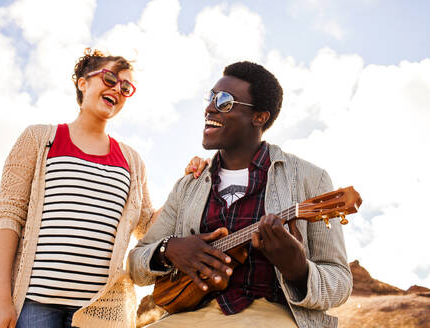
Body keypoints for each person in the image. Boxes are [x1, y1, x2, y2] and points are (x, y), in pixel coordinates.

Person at [0, 48, 207, 328]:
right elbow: (8, 217)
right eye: (110, 78)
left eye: (126, 87)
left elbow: (147, 226)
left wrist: (186, 183)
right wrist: (0, 298)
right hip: (34, 305)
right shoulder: (39, 139)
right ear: (83, 82)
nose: (118, 89)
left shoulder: (132, 161)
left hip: (102, 311)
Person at [129, 61, 352, 328]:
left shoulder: (309, 178)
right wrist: (168, 250)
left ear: (259, 117)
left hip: (272, 316)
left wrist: (298, 270)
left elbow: (340, 281)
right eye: (210, 97)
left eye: (224, 101)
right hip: (186, 317)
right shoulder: (189, 185)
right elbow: (135, 265)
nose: (210, 107)